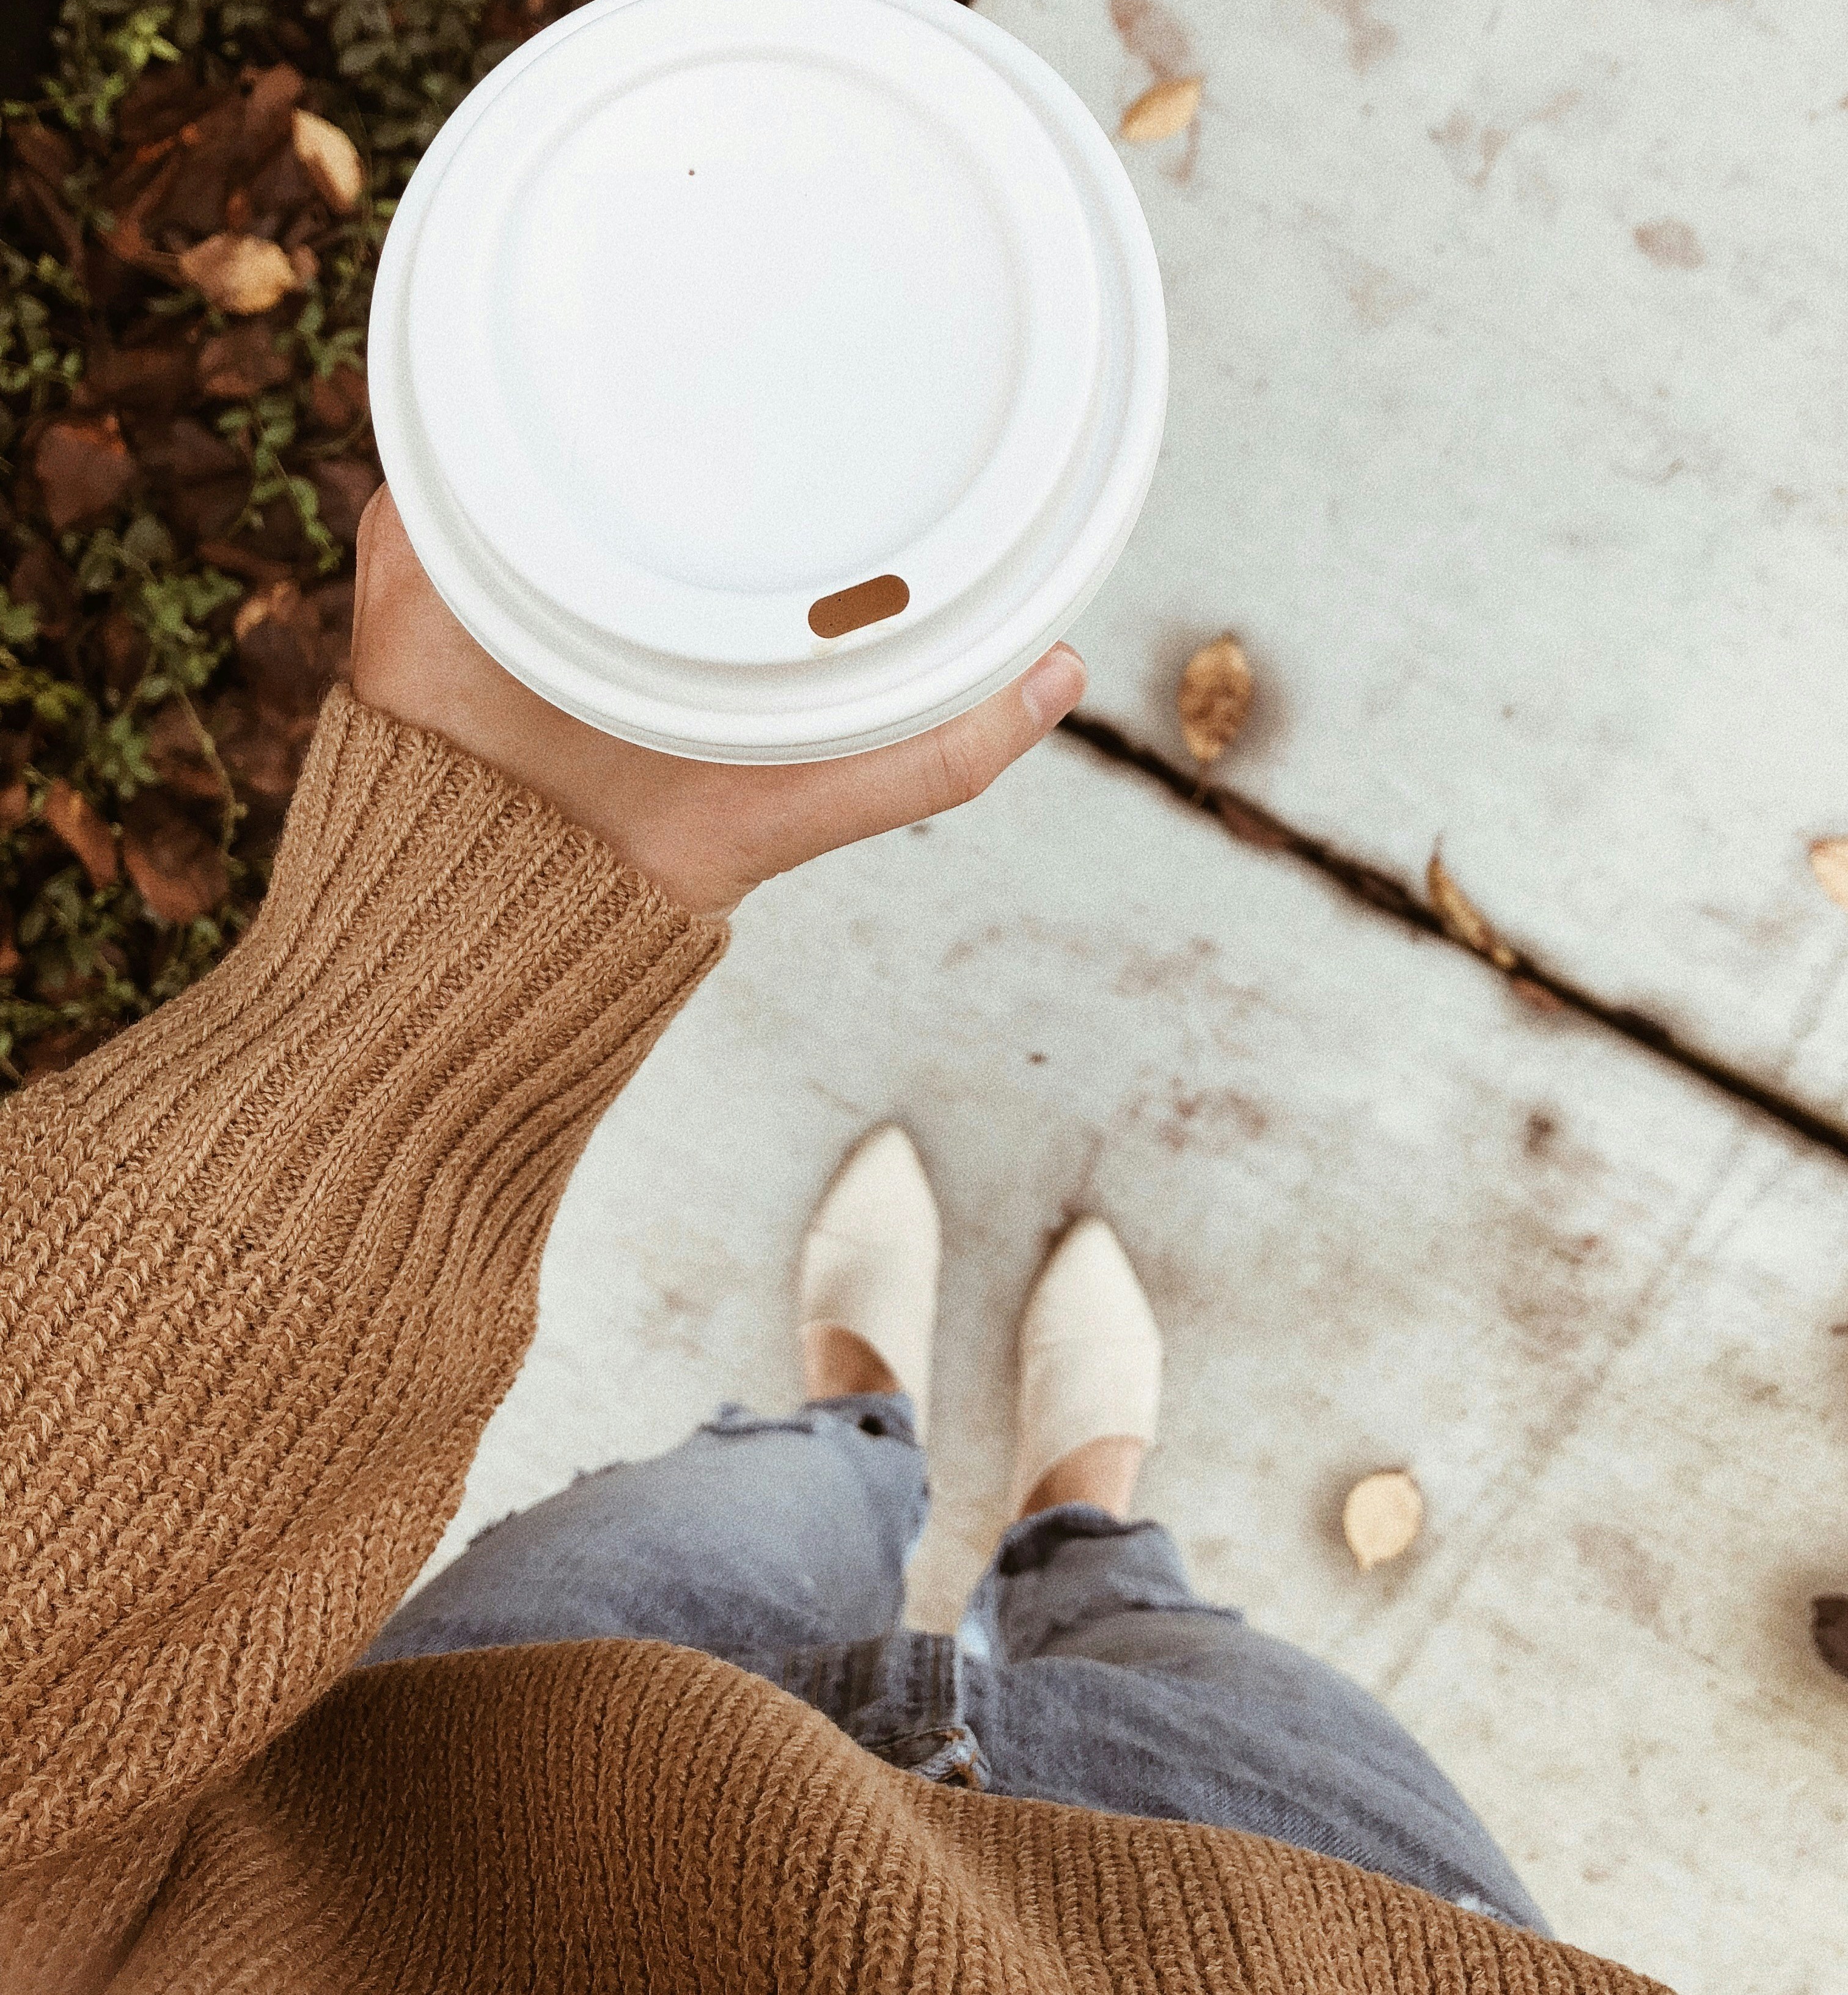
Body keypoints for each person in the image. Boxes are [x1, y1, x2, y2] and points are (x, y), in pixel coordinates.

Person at [0, 493, 1662, 1994]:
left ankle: (859, 1410)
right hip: (1307, 1901)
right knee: (1155, 1625)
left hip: (483, 1810)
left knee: (757, 1495)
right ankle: (1082, 1510)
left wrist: (443, 942)